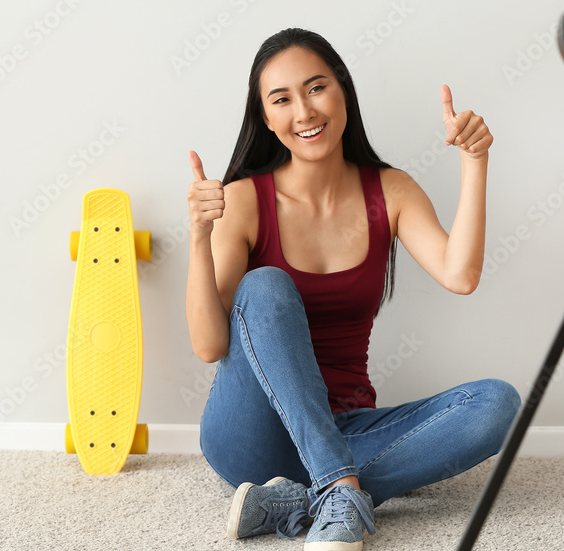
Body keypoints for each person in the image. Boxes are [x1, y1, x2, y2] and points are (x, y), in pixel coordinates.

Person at [185, 28, 520, 550]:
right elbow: (209, 347)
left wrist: (474, 163)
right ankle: (340, 488)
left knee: (497, 403)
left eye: (316, 88)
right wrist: (199, 238)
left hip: (350, 427)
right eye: (282, 99)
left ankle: (302, 498)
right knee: (266, 285)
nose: (304, 111)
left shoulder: (391, 191)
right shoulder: (244, 200)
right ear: (267, 119)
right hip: (252, 437)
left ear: (343, 90)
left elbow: (461, 275)